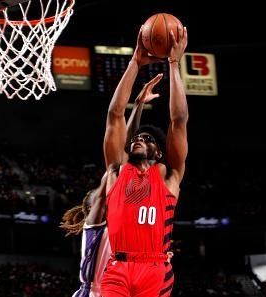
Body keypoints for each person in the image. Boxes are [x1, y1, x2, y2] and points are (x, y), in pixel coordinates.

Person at [101, 23, 188, 297]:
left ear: (159, 152)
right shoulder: (117, 171)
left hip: (155, 270)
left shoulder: (169, 176)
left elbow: (179, 119)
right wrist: (135, 63)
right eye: (137, 138)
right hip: (118, 269)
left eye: (148, 140)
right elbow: (115, 115)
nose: (140, 139)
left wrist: (174, 64)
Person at [59, 74, 164, 297]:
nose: (105, 189)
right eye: (101, 191)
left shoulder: (122, 226)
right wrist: (136, 107)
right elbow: (123, 156)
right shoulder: (97, 225)